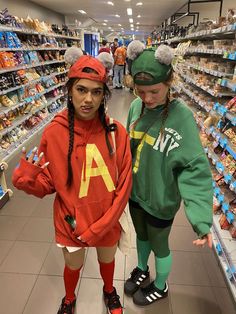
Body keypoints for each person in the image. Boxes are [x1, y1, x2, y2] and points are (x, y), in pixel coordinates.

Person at [12, 48, 132, 314]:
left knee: (107, 259)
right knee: (73, 265)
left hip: (107, 219)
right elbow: (48, 184)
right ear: (69, 90)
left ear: (104, 94)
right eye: (81, 90)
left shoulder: (116, 132)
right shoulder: (54, 132)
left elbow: (124, 186)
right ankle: (69, 298)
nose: (88, 99)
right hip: (72, 221)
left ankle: (109, 290)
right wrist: (26, 178)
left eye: (96, 91)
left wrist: (101, 226)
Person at [124, 41, 213, 306]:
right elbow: (125, 152)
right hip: (136, 194)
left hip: (162, 200)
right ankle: (142, 268)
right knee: (140, 236)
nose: (148, 99)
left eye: (155, 91)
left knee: (159, 244)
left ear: (170, 81)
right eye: (141, 92)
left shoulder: (181, 116)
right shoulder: (134, 108)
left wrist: (201, 219)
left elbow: (194, 168)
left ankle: (161, 286)